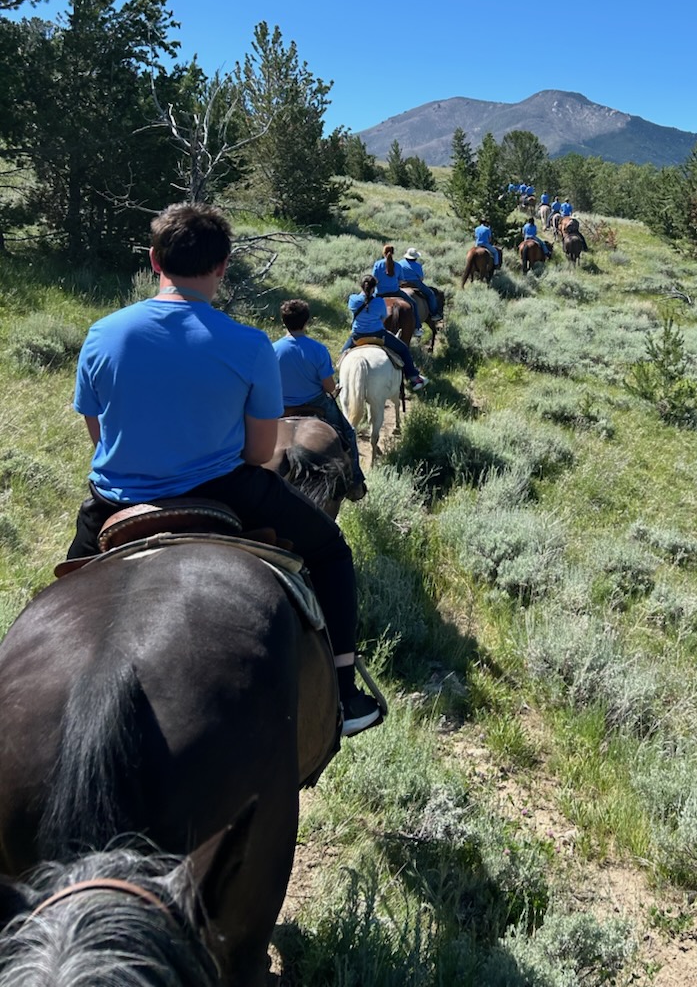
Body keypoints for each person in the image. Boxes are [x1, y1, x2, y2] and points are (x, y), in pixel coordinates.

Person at [67, 203, 382, 736]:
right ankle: (344, 693)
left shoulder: (103, 334)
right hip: (222, 490)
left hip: (113, 500)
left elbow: (99, 434)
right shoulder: (247, 343)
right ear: (223, 267)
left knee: (60, 598)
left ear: (154, 261)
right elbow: (260, 453)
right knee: (330, 550)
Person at [273, 299, 365, 497]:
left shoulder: (272, 350)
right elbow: (329, 387)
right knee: (348, 433)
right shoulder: (318, 349)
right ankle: (355, 483)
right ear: (307, 322)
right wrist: (335, 389)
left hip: (282, 406)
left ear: (284, 322)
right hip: (316, 403)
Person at [343, 275, 428, 392]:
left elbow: (354, 310)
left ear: (361, 286)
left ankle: (340, 383)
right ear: (374, 287)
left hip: (357, 335)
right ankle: (413, 377)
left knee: (343, 354)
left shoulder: (353, 299)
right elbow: (383, 318)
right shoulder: (379, 302)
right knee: (403, 349)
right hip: (378, 334)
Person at [371, 244, 422, 336]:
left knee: (365, 304)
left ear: (383, 253)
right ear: (393, 253)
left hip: (380, 293)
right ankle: (417, 327)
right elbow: (401, 281)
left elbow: (374, 280)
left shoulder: (377, 264)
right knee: (413, 303)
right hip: (395, 292)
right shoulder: (398, 265)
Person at [397, 247, 441, 319]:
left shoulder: (400, 263)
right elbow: (421, 278)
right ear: (415, 258)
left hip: (401, 283)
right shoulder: (417, 265)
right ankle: (434, 314)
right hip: (415, 283)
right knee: (430, 294)